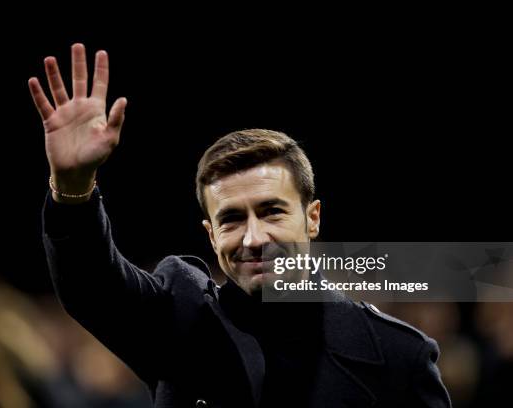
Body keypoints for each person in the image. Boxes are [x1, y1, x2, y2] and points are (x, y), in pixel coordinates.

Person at [29, 43, 451, 407]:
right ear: (211, 236)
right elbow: (92, 286)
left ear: (313, 218)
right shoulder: (179, 320)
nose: (254, 238)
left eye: (271, 211)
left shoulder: (399, 356)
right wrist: (73, 187)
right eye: (231, 219)